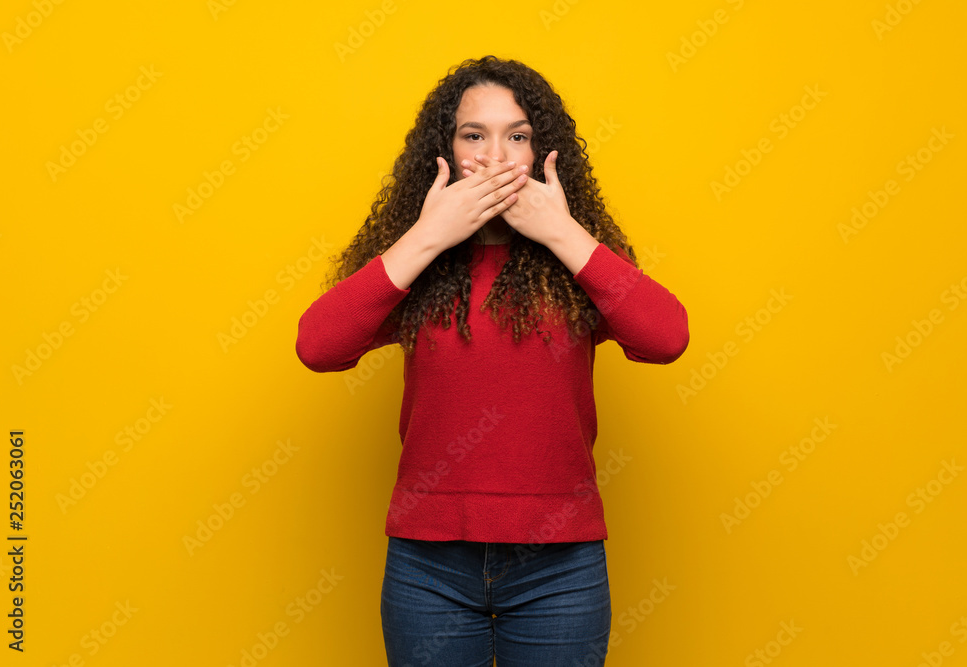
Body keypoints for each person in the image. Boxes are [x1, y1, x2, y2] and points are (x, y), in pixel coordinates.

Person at [295, 55, 689, 666]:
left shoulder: (576, 259)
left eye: (518, 137)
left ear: (544, 154)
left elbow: (666, 337)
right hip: (428, 567)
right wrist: (430, 235)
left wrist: (561, 231)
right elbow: (318, 346)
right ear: (446, 154)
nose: (496, 157)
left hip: (560, 568)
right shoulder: (421, 264)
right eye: (474, 136)